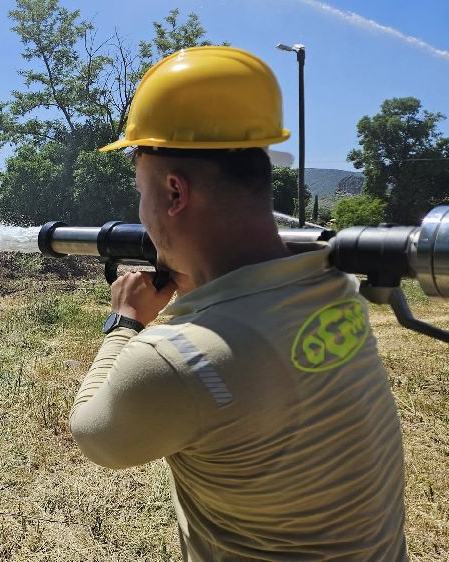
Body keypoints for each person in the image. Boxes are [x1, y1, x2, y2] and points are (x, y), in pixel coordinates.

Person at [68, 46, 408, 561]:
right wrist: (201, 284)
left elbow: (94, 436)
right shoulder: (331, 286)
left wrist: (126, 321)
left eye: (140, 191)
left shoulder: (177, 361)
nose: (140, 209)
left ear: (174, 193)